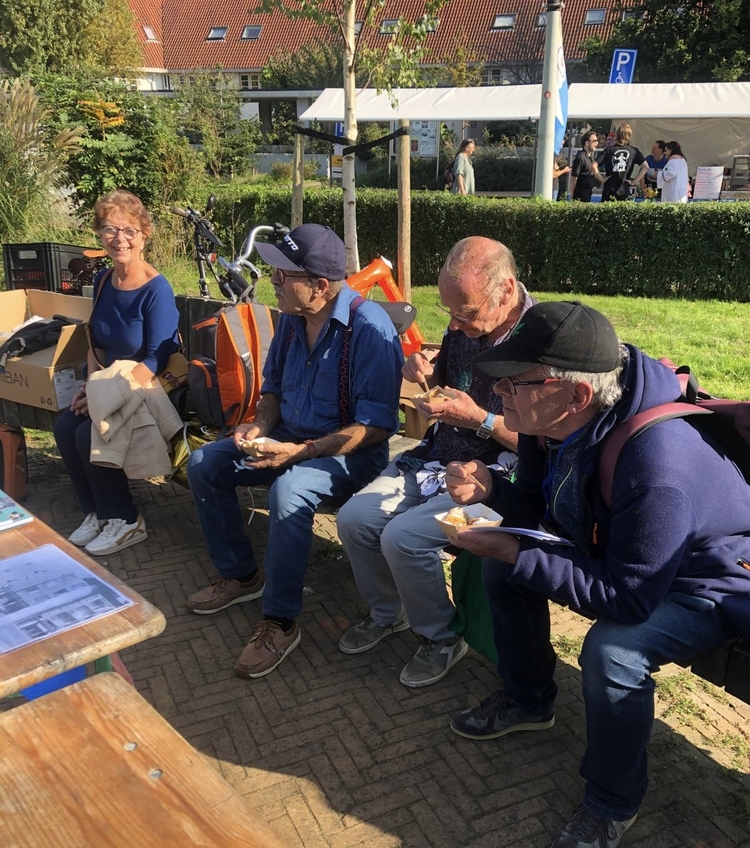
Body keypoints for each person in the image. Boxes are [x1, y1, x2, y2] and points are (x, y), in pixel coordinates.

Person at [442, 301, 750, 848]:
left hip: (703, 579)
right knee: (503, 573)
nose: (498, 394)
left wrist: (515, 551)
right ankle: (530, 701)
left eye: (513, 383)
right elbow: (536, 509)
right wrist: (492, 487)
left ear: (575, 394)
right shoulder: (547, 422)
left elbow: (625, 600)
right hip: (621, 551)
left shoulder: (658, 465)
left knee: (614, 653)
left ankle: (612, 802)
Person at [185, 224, 404, 679]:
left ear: (320, 286)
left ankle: (280, 621)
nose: (273, 282)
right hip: (286, 438)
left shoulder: (369, 329)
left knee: (289, 491)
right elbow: (273, 391)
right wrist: (258, 426)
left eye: (282, 275)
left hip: (349, 455)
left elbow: (377, 426)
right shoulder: (290, 317)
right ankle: (241, 575)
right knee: (206, 462)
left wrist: (299, 452)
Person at [336, 237, 533, 688]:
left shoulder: (543, 339)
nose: (456, 324)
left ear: (506, 291)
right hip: (437, 459)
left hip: (503, 479)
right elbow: (450, 374)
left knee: (403, 538)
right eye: (448, 313)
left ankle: (443, 637)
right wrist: (425, 369)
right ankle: (390, 614)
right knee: (354, 519)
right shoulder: (466, 323)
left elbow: (548, 444)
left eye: (464, 313)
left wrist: (481, 420)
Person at [54, 190, 180, 556]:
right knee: (65, 426)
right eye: (110, 229)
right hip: (109, 383)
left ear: (144, 234)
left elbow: (157, 359)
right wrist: (90, 387)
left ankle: (126, 519)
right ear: (100, 234)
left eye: (128, 229)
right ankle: (96, 511)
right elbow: (96, 343)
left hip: (147, 385)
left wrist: (105, 400)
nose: (119, 238)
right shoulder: (104, 280)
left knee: (90, 432)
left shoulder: (157, 289)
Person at [600, 124, 647, 201]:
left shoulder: (609, 150)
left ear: (617, 135)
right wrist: (633, 182)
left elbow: (594, 165)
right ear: (629, 136)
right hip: (624, 189)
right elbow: (646, 167)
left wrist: (602, 179)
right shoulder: (634, 151)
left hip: (609, 189)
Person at [568, 132, 601, 202]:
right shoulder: (580, 158)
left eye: (597, 141)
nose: (597, 143)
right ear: (587, 143)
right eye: (594, 141)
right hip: (580, 194)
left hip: (588, 192)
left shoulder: (590, 158)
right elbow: (574, 177)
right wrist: (571, 195)